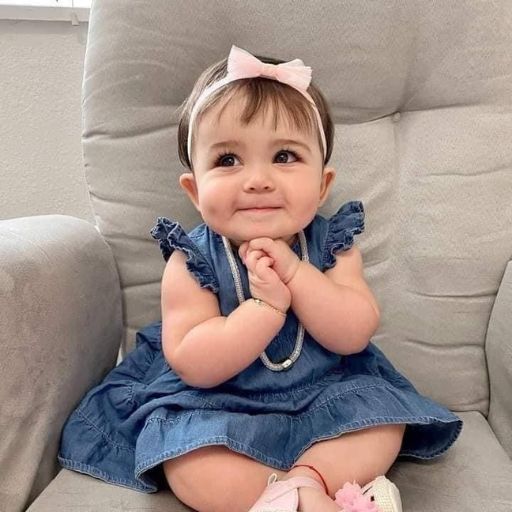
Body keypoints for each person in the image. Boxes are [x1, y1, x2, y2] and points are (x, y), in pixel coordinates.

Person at [58, 45, 463, 512]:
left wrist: (296, 274)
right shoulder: (191, 260)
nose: (257, 180)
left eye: (285, 156)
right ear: (194, 189)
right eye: (228, 160)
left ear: (322, 184)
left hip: (328, 391)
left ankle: (305, 482)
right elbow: (193, 360)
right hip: (216, 403)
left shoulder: (333, 244)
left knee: (382, 424)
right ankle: (288, 494)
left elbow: (354, 333)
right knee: (189, 460)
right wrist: (265, 309)